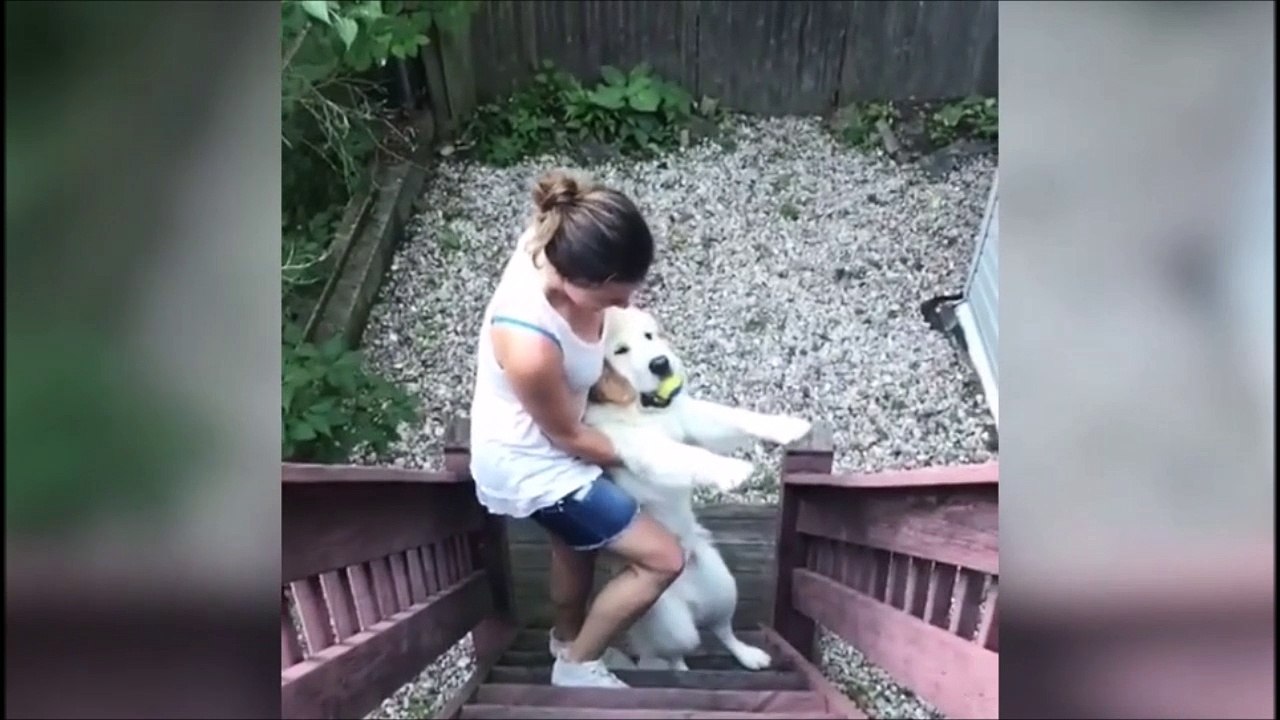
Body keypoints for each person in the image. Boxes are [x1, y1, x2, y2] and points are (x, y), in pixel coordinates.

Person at [467, 168, 686, 688]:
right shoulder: (528, 342)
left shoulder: (556, 237)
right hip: (535, 462)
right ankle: (579, 665)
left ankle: (565, 640)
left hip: (556, 430)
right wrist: (657, 454)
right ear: (572, 281)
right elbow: (566, 439)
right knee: (663, 559)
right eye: (613, 298)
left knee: (577, 546)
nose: (626, 307)